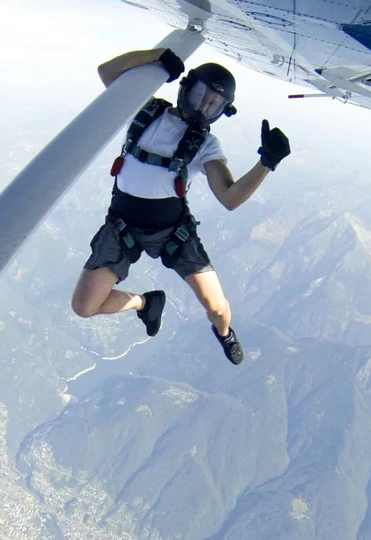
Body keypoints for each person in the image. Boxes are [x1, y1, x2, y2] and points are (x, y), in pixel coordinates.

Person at [70, 47, 291, 365]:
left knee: (216, 308)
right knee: (84, 307)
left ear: (221, 111)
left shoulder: (204, 144)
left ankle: (225, 334)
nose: (204, 106)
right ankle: (145, 304)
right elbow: (107, 72)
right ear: (186, 88)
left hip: (172, 232)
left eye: (213, 104)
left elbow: (230, 198)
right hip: (122, 227)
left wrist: (266, 163)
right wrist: (156, 57)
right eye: (202, 95)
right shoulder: (145, 109)